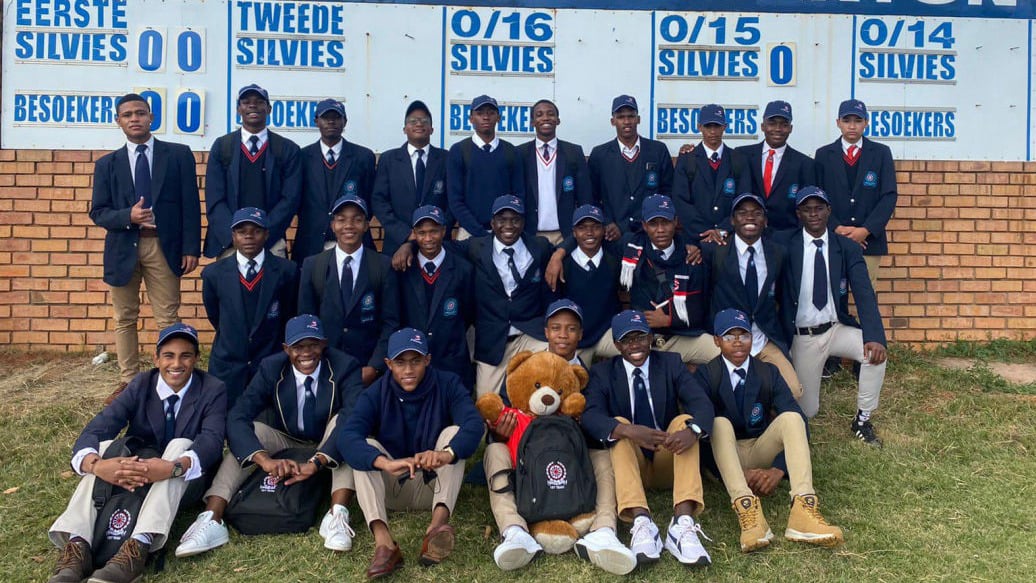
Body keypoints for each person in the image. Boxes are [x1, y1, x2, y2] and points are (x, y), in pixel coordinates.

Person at [47, 324, 226, 583]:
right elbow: (98, 428)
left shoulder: (212, 388)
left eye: (185, 356)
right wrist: (97, 466)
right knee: (102, 449)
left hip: (184, 480)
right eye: (169, 355)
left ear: (197, 359)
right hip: (138, 472)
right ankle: (77, 546)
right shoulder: (142, 384)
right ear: (156, 358)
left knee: (181, 444)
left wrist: (172, 467)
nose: (177, 364)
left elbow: (212, 440)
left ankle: (137, 547)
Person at [174, 314, 364, 557]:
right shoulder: (272, 367)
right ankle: (212, 518)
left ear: (324, 345)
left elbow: (353, 415)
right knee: (254, 430)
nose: (306, 353)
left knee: (347, 429)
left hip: (327, 441)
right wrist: (263, 460)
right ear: (286, 349)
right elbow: (238, 415)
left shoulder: (345, 366)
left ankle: (337, 516)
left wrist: (317, 462)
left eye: (313, 345)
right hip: (288, 437)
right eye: (298, 347)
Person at [486, 300, 636, 575]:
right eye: (556, 328)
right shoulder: (526, 368)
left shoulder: (588, 377)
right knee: (494, 452)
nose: (563, 335)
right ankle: (514, 530)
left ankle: (603, 530)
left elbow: (597, 423)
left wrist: (580, 425)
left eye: (571, 329)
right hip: (527, 461)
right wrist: (498, 431)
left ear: (581, 334)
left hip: (571, 460)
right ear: (546, 332)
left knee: (603, 456)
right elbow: (505, 409)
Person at [337, 328, 484, 577]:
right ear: (388, 364)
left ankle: (435, 529)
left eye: (415, 361)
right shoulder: (376, 392)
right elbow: (347, 436)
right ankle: (384, 544)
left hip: (433, 486)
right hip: (392, 487)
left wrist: (445, 454)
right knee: (366, 449)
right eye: (400, 362)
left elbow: (473, 423)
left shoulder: (447, 383)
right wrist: (385, 463)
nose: (408, 370)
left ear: (427, 360)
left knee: (453, 435)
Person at [698, 309, 843, 552]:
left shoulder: (767, 372)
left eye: (744, 335)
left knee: (792, 418)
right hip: (725, 456)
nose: (737, 342)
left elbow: (800, 422)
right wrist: (735, 473)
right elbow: (699, 436)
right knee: (718, 423)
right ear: (716, 341)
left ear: (752, 338)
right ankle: (749, 514)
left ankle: (803, 511)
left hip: (758, 447)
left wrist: (778, 469)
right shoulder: (705, 375)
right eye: (729, 336)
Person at [581, 310, 716, 568]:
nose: (635, 345)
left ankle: (682, 523)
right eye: (627, 340)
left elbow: (701, 402)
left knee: (685, 420)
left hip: (667, 456)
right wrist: (630, 431)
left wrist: (693, 430)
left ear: (651, 338)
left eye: (640, 337)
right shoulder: (602, 372)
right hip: (632, 466)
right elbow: (590, 416)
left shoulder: (670, 363)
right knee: (618, 426)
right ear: (617, 345)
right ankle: (642, 521)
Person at [89, 93, 201, 397]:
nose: (134, 119)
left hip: (163, 246)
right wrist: (129, 216)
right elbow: (98, 212)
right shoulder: (107, 164)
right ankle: (129, 381)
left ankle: (171, 379)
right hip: (123, 247)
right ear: (118, 121)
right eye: (127, 115)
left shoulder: (177, 155)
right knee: (124, 317)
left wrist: (191, 248)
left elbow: (191, 205)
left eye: (140, 113)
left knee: (168, 317)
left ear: (151, 117)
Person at [778, 186, 888, 445]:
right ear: (798, 214)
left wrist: (875, 336)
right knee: (808, 411)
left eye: (819, 208)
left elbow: (864, 293)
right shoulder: (784, 244)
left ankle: (862, 419)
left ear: (829, 211)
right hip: (802, 336)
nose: (813, 214)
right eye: (807, 209)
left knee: (874, 354)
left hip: (834, 329)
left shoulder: (846, 247)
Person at [702, 193, 802, 397]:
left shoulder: (777, 253)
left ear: (765, 221)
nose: (750, 217)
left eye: (757, 213)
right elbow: (704, 294)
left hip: (763, 339)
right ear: (732, 220)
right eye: (742, 213)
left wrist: (784, 339)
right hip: (728, 340)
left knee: (793, 391)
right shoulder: (715, 252)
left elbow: (783, 298)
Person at [201, 207, 298, 408]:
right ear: (233, 236)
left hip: (269, 364)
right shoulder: (213, 274)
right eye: (242, 232)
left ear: (267, 234)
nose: (249, 237)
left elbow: (288, 314)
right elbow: (216, 316)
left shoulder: (287, 271)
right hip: (229, 366)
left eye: (256, 231)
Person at [299, 194, 400, 387]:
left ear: (366, 226)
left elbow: (391, 322)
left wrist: (374, 366)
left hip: (368, 371)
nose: (349, 225)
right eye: (341, 219)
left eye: (357, 219)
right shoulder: (314, 266)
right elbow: (306, 321)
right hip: (325, 369)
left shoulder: (382, 265)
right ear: (333, 225)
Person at [203, 83, 301, 259]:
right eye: (246, 102)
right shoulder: (222, 146)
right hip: (231, 244)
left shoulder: (287, 149)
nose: (252, 106)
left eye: (259, 102)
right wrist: (235, 236)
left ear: (269, 109)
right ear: (238, 109)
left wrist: (265, 234)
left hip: (271, 243)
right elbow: (214, 198)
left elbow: (290, 199)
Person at [814, 98, 898, 289]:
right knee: (833, 292)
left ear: (866, 122)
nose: (852, 126)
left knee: (866, 292)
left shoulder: (881, 153)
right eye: (846, 120)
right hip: (834, 238)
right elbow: (817, 199)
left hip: (869, 242)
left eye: (858, 120)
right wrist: (836, 228)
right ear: (838, 123)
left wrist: (865, 230)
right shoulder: (824, 155)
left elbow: (889, 196)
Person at [396, 205, 475, 390]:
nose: (428, 238)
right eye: (422, 233)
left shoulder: (463, 269)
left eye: (434, 231)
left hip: (452, 361)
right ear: (414, 234)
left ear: (444, 231)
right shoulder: (403, 269)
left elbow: (469, 313)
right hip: (414, 361)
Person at [294, 98, 377, 262]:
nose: (331, 122)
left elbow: (371, 199)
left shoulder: (363, 157)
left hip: (354, 242)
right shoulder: (302, 157)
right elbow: (295, 199)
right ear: (316, 121)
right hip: (311, 244)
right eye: (326, 117)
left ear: (345, 121)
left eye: (336, 117)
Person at [587, 95, 673, 239]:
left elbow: (668, 191)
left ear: (638, 119)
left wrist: (655, 222)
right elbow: (591, 196)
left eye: (631, 116)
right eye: (621, 117)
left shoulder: (658, 150)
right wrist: (606, 223)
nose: (626, 121)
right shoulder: (599, 154)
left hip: (650, 234)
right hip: (613, 236)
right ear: (613, 121)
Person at [371, 100, 449, 256]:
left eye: (424, 121)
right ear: (404, 129)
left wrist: (435, 232)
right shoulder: (389, 159)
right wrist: (405, 234)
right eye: (413, 121)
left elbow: (453, 201)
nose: (419, 124)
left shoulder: (446, 158)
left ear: (432, 129)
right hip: (397, 245)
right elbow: (379, 201)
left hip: (436, 244)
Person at [545, 204, 622, 363]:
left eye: (595, 227)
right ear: (574, 232)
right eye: (582, 228)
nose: (589, 233)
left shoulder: (614, 258)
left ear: (603, 230)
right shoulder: (561, 265)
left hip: (607, 333)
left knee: (635, 350)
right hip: (575, 340)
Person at [447, 95, 524, 239]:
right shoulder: (459, 151)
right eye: (480, 113)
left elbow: (518, 196)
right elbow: (455, 200)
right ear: (471, 119)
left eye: (491, 113)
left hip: (504, 233)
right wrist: (479, 232)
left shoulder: (511, 152)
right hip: (469, 232)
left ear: (498, 118)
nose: (486, 117)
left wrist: (504, 227)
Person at [515, 99, 592, 244]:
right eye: (539, 115)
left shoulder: (573, 152)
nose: (545, 118)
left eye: (550, 114)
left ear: (558, 120)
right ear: (532, 122)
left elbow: (585, 196)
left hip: (565, 235)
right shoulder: (520, 153)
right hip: (530, 234)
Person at [672, 103, 751, 245]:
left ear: (725, 127)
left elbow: (743, 200)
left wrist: (724, 229)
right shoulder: (687, 159)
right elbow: (681, 201)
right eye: (708, 126)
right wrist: (704, 231)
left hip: (729, 239)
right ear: (699, 127)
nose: (713, 131)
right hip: (696, 239)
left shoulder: (738, 159)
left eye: (717, 126)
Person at [734, 100, 815, 234]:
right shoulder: (741, 154)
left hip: (787, 236)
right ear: (762, 126)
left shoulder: (804, 163)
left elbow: (806, 206)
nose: (778, 129)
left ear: (791, 128)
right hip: (747, 234)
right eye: (772, 123)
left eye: (784, 124)